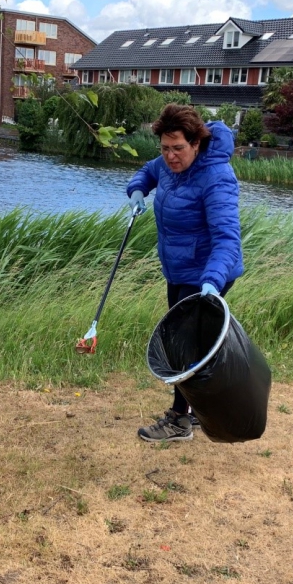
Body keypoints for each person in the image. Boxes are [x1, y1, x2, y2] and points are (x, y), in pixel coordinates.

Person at [127, 104, 243, 443]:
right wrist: (136, 191)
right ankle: (192, 412)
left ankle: (179, 420)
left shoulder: (216, 177)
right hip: (178, 268)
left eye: (178, 148)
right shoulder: (166, 166)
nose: (170, 156)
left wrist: (212, 281)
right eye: (165, 148)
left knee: (183, 347)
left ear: (196, 143)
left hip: (207, 273)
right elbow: (147, 173)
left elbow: (227, 239)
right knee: (187, 343)